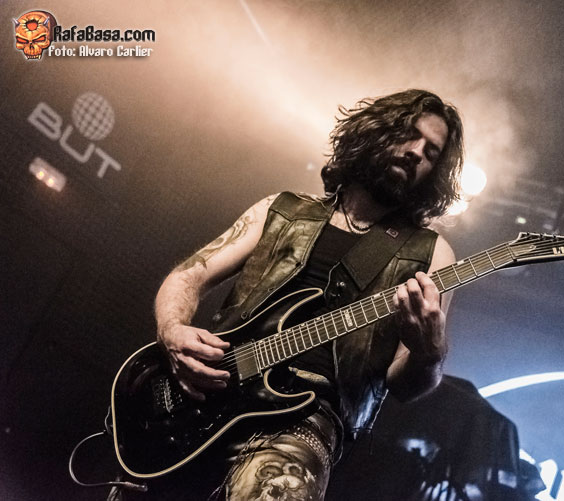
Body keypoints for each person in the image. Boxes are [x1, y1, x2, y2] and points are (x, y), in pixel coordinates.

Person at [154, 89, 464, 500]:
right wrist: (172, 330)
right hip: (208, 393)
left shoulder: (431, 254)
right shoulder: (282, 210)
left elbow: (407, 385)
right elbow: (188, 276)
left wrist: (430, 352)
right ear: (375, 131)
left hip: (305, 420)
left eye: (431, 152)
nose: (416, 153)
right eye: (409, 134)